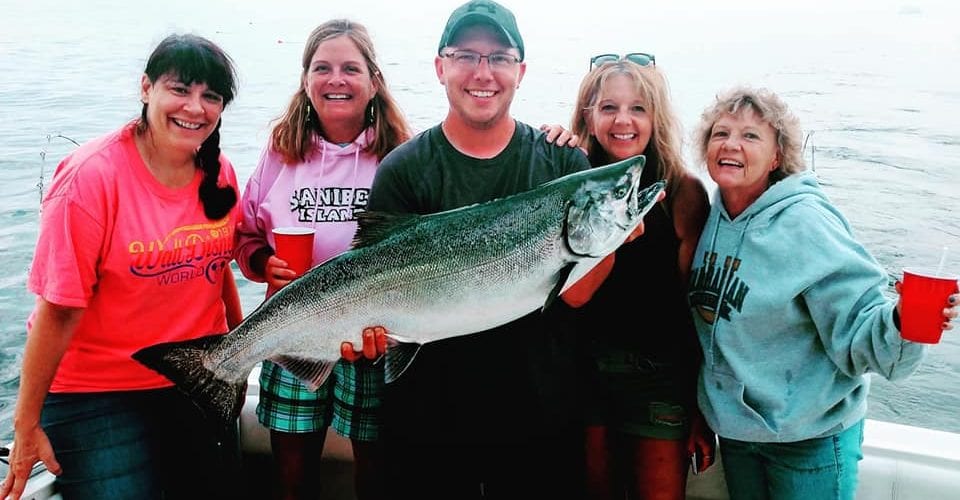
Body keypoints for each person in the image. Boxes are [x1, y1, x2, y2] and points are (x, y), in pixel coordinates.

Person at [341, 1, 627, 498]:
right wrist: (360, 334)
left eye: (499, 57)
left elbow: (575, 296)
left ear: (520, 71)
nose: (482, 72)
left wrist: (613, 235)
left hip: (537, 416)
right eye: (465, 55)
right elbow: (369, 274)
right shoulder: (404, 170)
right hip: (427, 419)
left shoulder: (563, 162)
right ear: (440, 67)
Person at [0, 33, 243, 500]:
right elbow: (59, 308)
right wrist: (25, 422)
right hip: (96, 392)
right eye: (180, 89)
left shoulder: (219, 171)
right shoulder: (91, 178)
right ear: (146, 88)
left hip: (197, 376)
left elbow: (218, 268)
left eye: (210, 96)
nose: (195, 107)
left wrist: (240, 351)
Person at [686, 85, 960, 500]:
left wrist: (903, 320)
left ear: (777, 156)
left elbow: (861, 324)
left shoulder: (805, 222)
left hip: (808, 439)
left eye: (751, 136)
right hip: (741, 433)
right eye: (721, 133)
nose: (731, 145)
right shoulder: (715, 215)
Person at [234, 19, 412, 500]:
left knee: (375, 466)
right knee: (292, 467)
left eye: (350, 68)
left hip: (373, 336)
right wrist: (261, 263)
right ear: (306, 79)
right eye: (323, 68)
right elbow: (246, 234)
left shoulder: (401, 153)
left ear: (374, 81)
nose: (336, 79)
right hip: (293, 325)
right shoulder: (280, 151)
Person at [558, 54, 716, 500]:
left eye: (638, 108)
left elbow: (696, 314)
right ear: (588, 115)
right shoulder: (568, 177)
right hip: (580, 375)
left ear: (656, 117)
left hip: (658, 381)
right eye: (608, 107)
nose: (622, 120)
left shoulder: (682, 192)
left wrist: (699, 410)